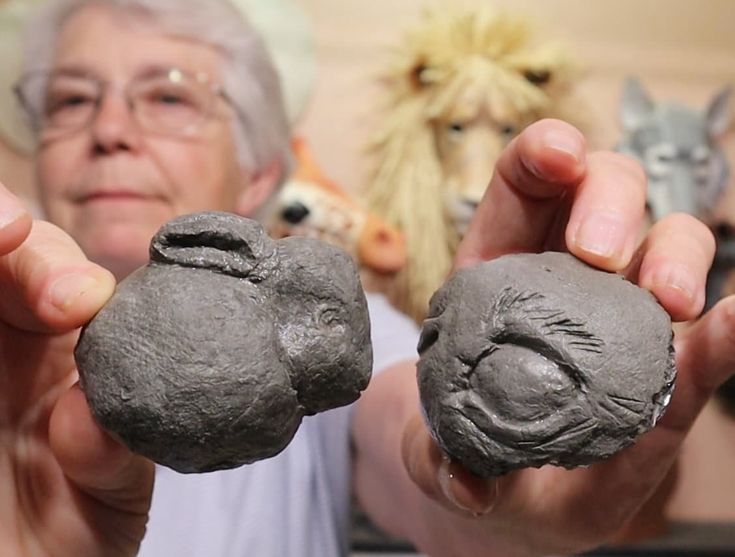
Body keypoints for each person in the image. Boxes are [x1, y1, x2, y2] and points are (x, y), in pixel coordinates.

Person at [1, 0, 732, 556]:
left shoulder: (323, 314)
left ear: (259, 173)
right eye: (70, 98)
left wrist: (494, 482)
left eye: (168, 95)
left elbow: (409, 436)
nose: (109, 129)